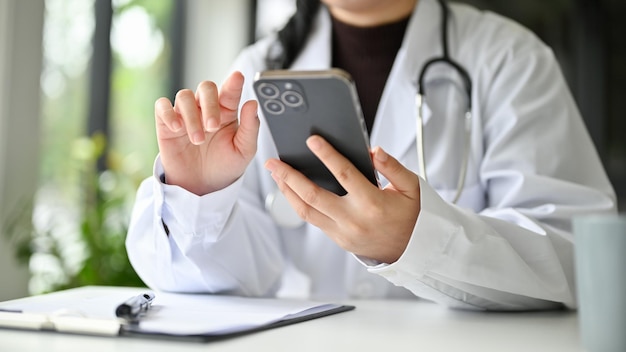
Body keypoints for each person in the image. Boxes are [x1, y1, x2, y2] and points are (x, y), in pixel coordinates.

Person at [126, 0, 617, 310]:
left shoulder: (509, 59)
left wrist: (421, 241)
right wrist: (199, 194)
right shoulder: (259, 70)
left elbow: (576, 256)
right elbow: (225, 283)